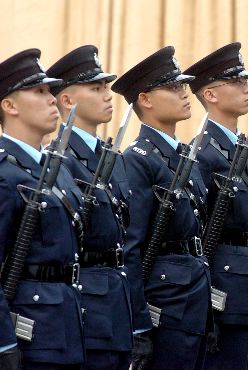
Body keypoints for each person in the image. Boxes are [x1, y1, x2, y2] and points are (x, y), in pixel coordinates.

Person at [112, 45, 212, 370]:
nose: (185, 94)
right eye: (173, 87)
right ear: (146, 99)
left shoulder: (184, 155)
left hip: (193, 295)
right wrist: (139, 325)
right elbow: (131, 247)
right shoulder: (138, 160)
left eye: (183, 86)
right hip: (165, 301)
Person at [46, 45, 134, 370]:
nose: (108, 96)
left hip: (116, 301)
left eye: (107, 87)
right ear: (67, 101)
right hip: (86, 304)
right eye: (96, 88)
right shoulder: (59, 161)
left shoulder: (115, 159)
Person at [0, 49, 85, 369]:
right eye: (39, 92)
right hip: (30, 335)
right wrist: (4, 344)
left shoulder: (58, 170)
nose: (52, 99)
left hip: (67, 325)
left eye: (50, 91)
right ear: (9, 105)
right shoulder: (5, 175)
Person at [184, 42, 248, 370]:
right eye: (236, 82)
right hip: (222, 284)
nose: (247, 88)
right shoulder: (202, 153)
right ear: (211, 95)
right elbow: (200, 232)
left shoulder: (245, 149)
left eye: (246, 81)